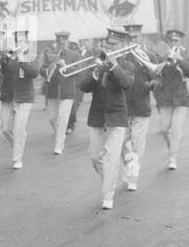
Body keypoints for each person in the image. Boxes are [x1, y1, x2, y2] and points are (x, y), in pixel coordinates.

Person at [80, 28, 135, 210]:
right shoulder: (98, 63)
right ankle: (110, 180)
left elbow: (126, 83)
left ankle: (108, 195)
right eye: (108, 44)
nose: (110, 47)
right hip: (97, 116)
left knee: (112, 157)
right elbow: (84, 87)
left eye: (114, 45)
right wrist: (96, 73)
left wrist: (113, 65)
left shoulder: (127, 65)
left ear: (122, 46)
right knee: (96, 158)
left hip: (117, 117)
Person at [119, 23, 157, 190]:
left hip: (142, 106)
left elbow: (158, 77)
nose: (132, 40)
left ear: (141, 37)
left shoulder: (149, 55)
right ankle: (130, 170)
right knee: (123, 143)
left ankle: (132, 178)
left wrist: (153, 83)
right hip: (123, 106)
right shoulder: (120, 57)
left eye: (135, 37)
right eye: (129, 37)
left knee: (137, 142)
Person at [155, 29, 189, 170]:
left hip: (180, 99)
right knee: (163, 129)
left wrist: (181, 61)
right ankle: (171, 150)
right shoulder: (162, 56)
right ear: (168, 42)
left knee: (176, 129)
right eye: (172, 41)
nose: (174, 43)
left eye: (177, 41)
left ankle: (173, 157)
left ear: (180, 42)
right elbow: (155, 74)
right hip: (165, 98)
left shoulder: (185, 56)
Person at [0, 33, 39, 169]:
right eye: (18, 41)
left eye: (22, 41)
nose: (19, 43)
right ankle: (19, 143)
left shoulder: (32, 56)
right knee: (5, 128)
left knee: (19, 129)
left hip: (24, 97)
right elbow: (0, 70)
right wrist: (6, 57)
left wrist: (22, 60)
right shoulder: (11, 55)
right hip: (9, 95)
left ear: (27, 43)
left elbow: (34, 73)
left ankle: (17, 158)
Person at [42, 31, 84, 155]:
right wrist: (47, 70)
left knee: (62, 120)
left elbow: (80, 72)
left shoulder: (74, 55)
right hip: (53, 91)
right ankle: (60, 135)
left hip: (67, 92)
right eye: (59, 42)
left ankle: (58, 145)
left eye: (64, 42)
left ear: (68, 41)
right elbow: (42, 69)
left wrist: (66, 67)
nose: (62, 44)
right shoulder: (50, 54)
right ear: (57, 42)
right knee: (52, 119)